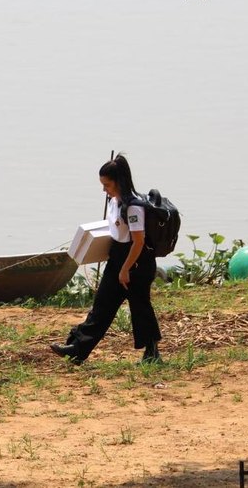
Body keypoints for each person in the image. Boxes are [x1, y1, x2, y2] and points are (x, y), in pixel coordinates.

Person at [51, 154, 162, 365]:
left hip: (136, 260)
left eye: (107, 185)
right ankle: (77, 349)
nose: (104, 190)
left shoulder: (133, 207)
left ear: (119, 181)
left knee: (140, 307)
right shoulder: (113, 201)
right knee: (103, 304)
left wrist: (125, 269)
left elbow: (138, 242)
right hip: (119, 255)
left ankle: (152, 352)